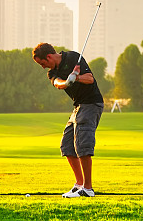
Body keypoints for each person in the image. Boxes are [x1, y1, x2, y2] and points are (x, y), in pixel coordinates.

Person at [33, 42, 104, 198]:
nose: (43, 67)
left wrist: (76, 77)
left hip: (91, 103)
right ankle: (79, 185)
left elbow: (89, 79)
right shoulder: (52, 72)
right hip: (78, 106)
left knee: (82, 144)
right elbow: (58, 84)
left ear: (49, 56)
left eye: (43, 63)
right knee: (66, 144)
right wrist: (67, 81)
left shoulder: (73, 58)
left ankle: (87, 188)